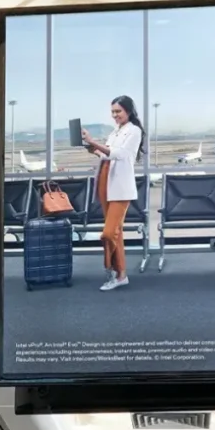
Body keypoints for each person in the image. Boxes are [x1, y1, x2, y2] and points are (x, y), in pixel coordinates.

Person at [81, 95, 146, 291]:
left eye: (118, 111)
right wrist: (91, 147)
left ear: (128, 111)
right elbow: (105, 153)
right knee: (116, 234)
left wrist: (96, 143)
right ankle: (121, 275)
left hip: (120, 186)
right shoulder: (115, 131)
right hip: (105, 181)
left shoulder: (134, 131)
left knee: (109, 233)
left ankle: (110, 268)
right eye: (113, 112)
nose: (115, 115)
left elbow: (121, 155)